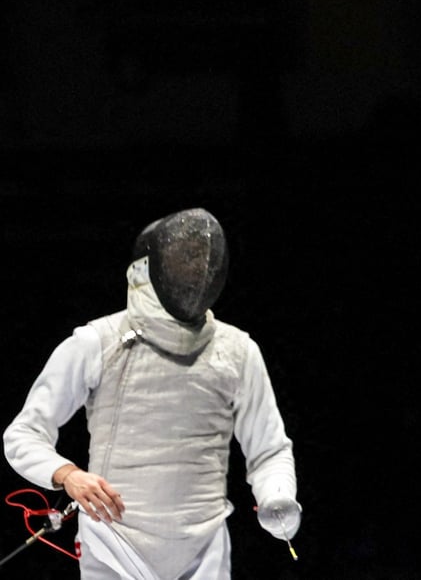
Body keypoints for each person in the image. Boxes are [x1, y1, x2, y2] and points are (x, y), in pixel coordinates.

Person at [3, 208, 301, 579]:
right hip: (112, 546)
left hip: (205, 552)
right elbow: (23, 434)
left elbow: (269, 448)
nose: (199, 267)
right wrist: (68, 475)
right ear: (146, 270)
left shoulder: (238, 350)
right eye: (186, 256)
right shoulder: (97, 342)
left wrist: (276, 495)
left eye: (204, 258)